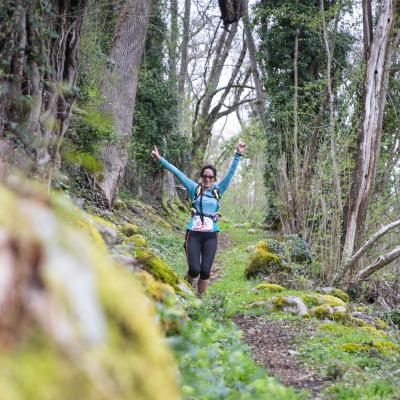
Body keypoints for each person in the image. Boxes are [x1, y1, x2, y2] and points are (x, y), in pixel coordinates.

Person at [151, 140, 246, 295]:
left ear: (214, 179)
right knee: (194, 270)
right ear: (201, 177)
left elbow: (231, 173)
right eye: (205, 176)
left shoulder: (218, 190)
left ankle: (199, 302)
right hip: (193, 235)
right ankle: (181, 292)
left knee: (205, 272)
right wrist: (160, 159)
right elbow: (177, 172)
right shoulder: (193, 188)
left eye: (211, 177)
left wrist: (238, 154)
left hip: (211, 236)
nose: (207, 179)